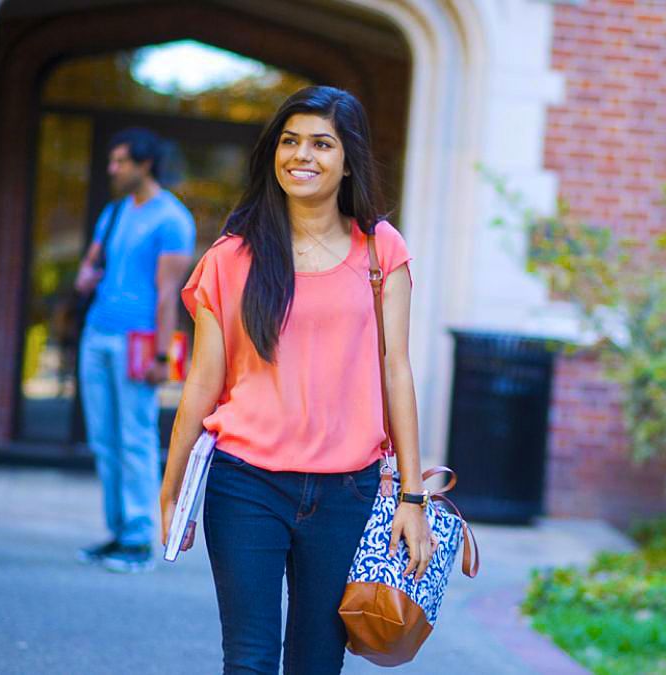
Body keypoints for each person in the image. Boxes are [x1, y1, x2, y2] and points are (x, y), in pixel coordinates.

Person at [160, 85, 434, 673]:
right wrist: (172, 490)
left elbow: (396, 369)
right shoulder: (231, 257)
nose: (301, 156)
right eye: (289, 141)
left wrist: (412, 495)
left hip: (348, 492)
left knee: (316, 662)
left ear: (348, 158)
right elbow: (202, 385)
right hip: (246, 486)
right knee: (251, 659)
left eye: (321, 143)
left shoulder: (380, 250)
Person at [73, 128, 195, 573]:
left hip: (138, 342)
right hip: (97, 334)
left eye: (120, 161)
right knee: (104, 441)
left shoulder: (173, 219)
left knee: (135, 439)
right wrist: (86, 276)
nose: (113, 169)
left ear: (144, 164)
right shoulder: (114, 212)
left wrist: (163, 357)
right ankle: (119, 531)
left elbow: (168, 294)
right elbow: (91, 262)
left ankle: (140, 538)